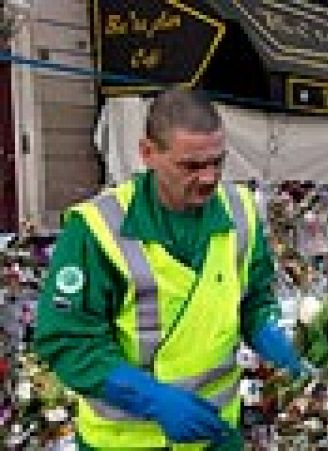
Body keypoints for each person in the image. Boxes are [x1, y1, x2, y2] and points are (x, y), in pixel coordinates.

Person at [34, 89, 307, 449]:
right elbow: (68, 340)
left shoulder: (241, 211)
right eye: (191, 166)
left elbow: (254, 296)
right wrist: (152, 399)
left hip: (214, 433)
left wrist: (268, 330)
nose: (209, 178)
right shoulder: (96, 228)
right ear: (148, 153)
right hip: (124, 442)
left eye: (217, 162)